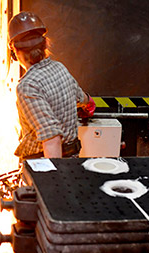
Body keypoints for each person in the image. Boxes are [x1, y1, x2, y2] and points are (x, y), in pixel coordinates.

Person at [8, 11, 94, 161]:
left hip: (43, 162)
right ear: (45, 45)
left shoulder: (28, 86)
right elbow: (80, 97)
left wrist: (54, 179)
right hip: (71, 158)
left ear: (14, 53)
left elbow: (51, 136)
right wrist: (89, 103)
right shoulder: (59, 68)